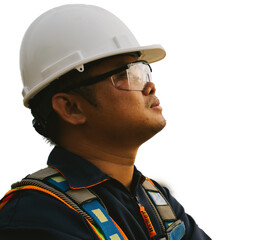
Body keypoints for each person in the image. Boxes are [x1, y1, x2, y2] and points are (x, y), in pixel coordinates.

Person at [0, 4, 211, 240]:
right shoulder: (34, 215)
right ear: (71, 108)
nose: (149, 86)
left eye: (143, 72)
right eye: (125, 74)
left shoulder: (159, 204)